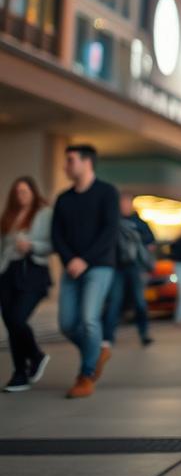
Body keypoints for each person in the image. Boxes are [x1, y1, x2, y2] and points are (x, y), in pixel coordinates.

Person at [51, 144, 119, 398]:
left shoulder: (107, 193)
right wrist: (70, 260)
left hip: (99, 266)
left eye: (70, 160)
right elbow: (57, 235)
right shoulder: (63, 198)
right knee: (67, 324)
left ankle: (86, 374)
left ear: (86, 162)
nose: (65, 166)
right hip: (71, 267)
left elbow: (109, 232)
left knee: (89, 319)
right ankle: (98, 352)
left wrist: (85, 260)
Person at [0, 177, 53, 393]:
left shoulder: (44, 213)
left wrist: (32, 245)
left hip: (32, 271)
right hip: (8, 272)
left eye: (25, 191)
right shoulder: (9, 216)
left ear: (33, 192)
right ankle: (20, 373)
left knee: (17, 318)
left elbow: (52, 243)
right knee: (10, 322)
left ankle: (36, 355)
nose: (21, 195)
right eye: (17, 192)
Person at [101, 193, 156, 350]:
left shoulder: (140, 223)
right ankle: (108, 337)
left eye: (127, 203)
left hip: (135, 267)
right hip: (117, 267)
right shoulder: (113, 221)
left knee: (139, 301)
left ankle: (144, 333)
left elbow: (151, 242)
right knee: (114, 301)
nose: (124, 205)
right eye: (122, 203)